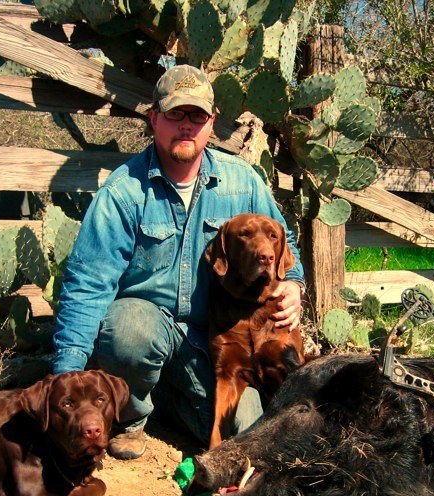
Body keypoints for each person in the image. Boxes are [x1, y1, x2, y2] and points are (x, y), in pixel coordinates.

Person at [52, 65, 305, 459]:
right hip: (148, 330)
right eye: (175, 114)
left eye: (197, 116)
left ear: (211, 124)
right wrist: (63, 380)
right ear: (154, 118)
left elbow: (282, 242)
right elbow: (87, 285)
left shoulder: (244, 182)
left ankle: (165, 400)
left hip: (216, 345)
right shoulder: (123, 193)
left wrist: (294, 285)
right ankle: (134, 416)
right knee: (129, 329)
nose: (186, 125)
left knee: (248, 428)